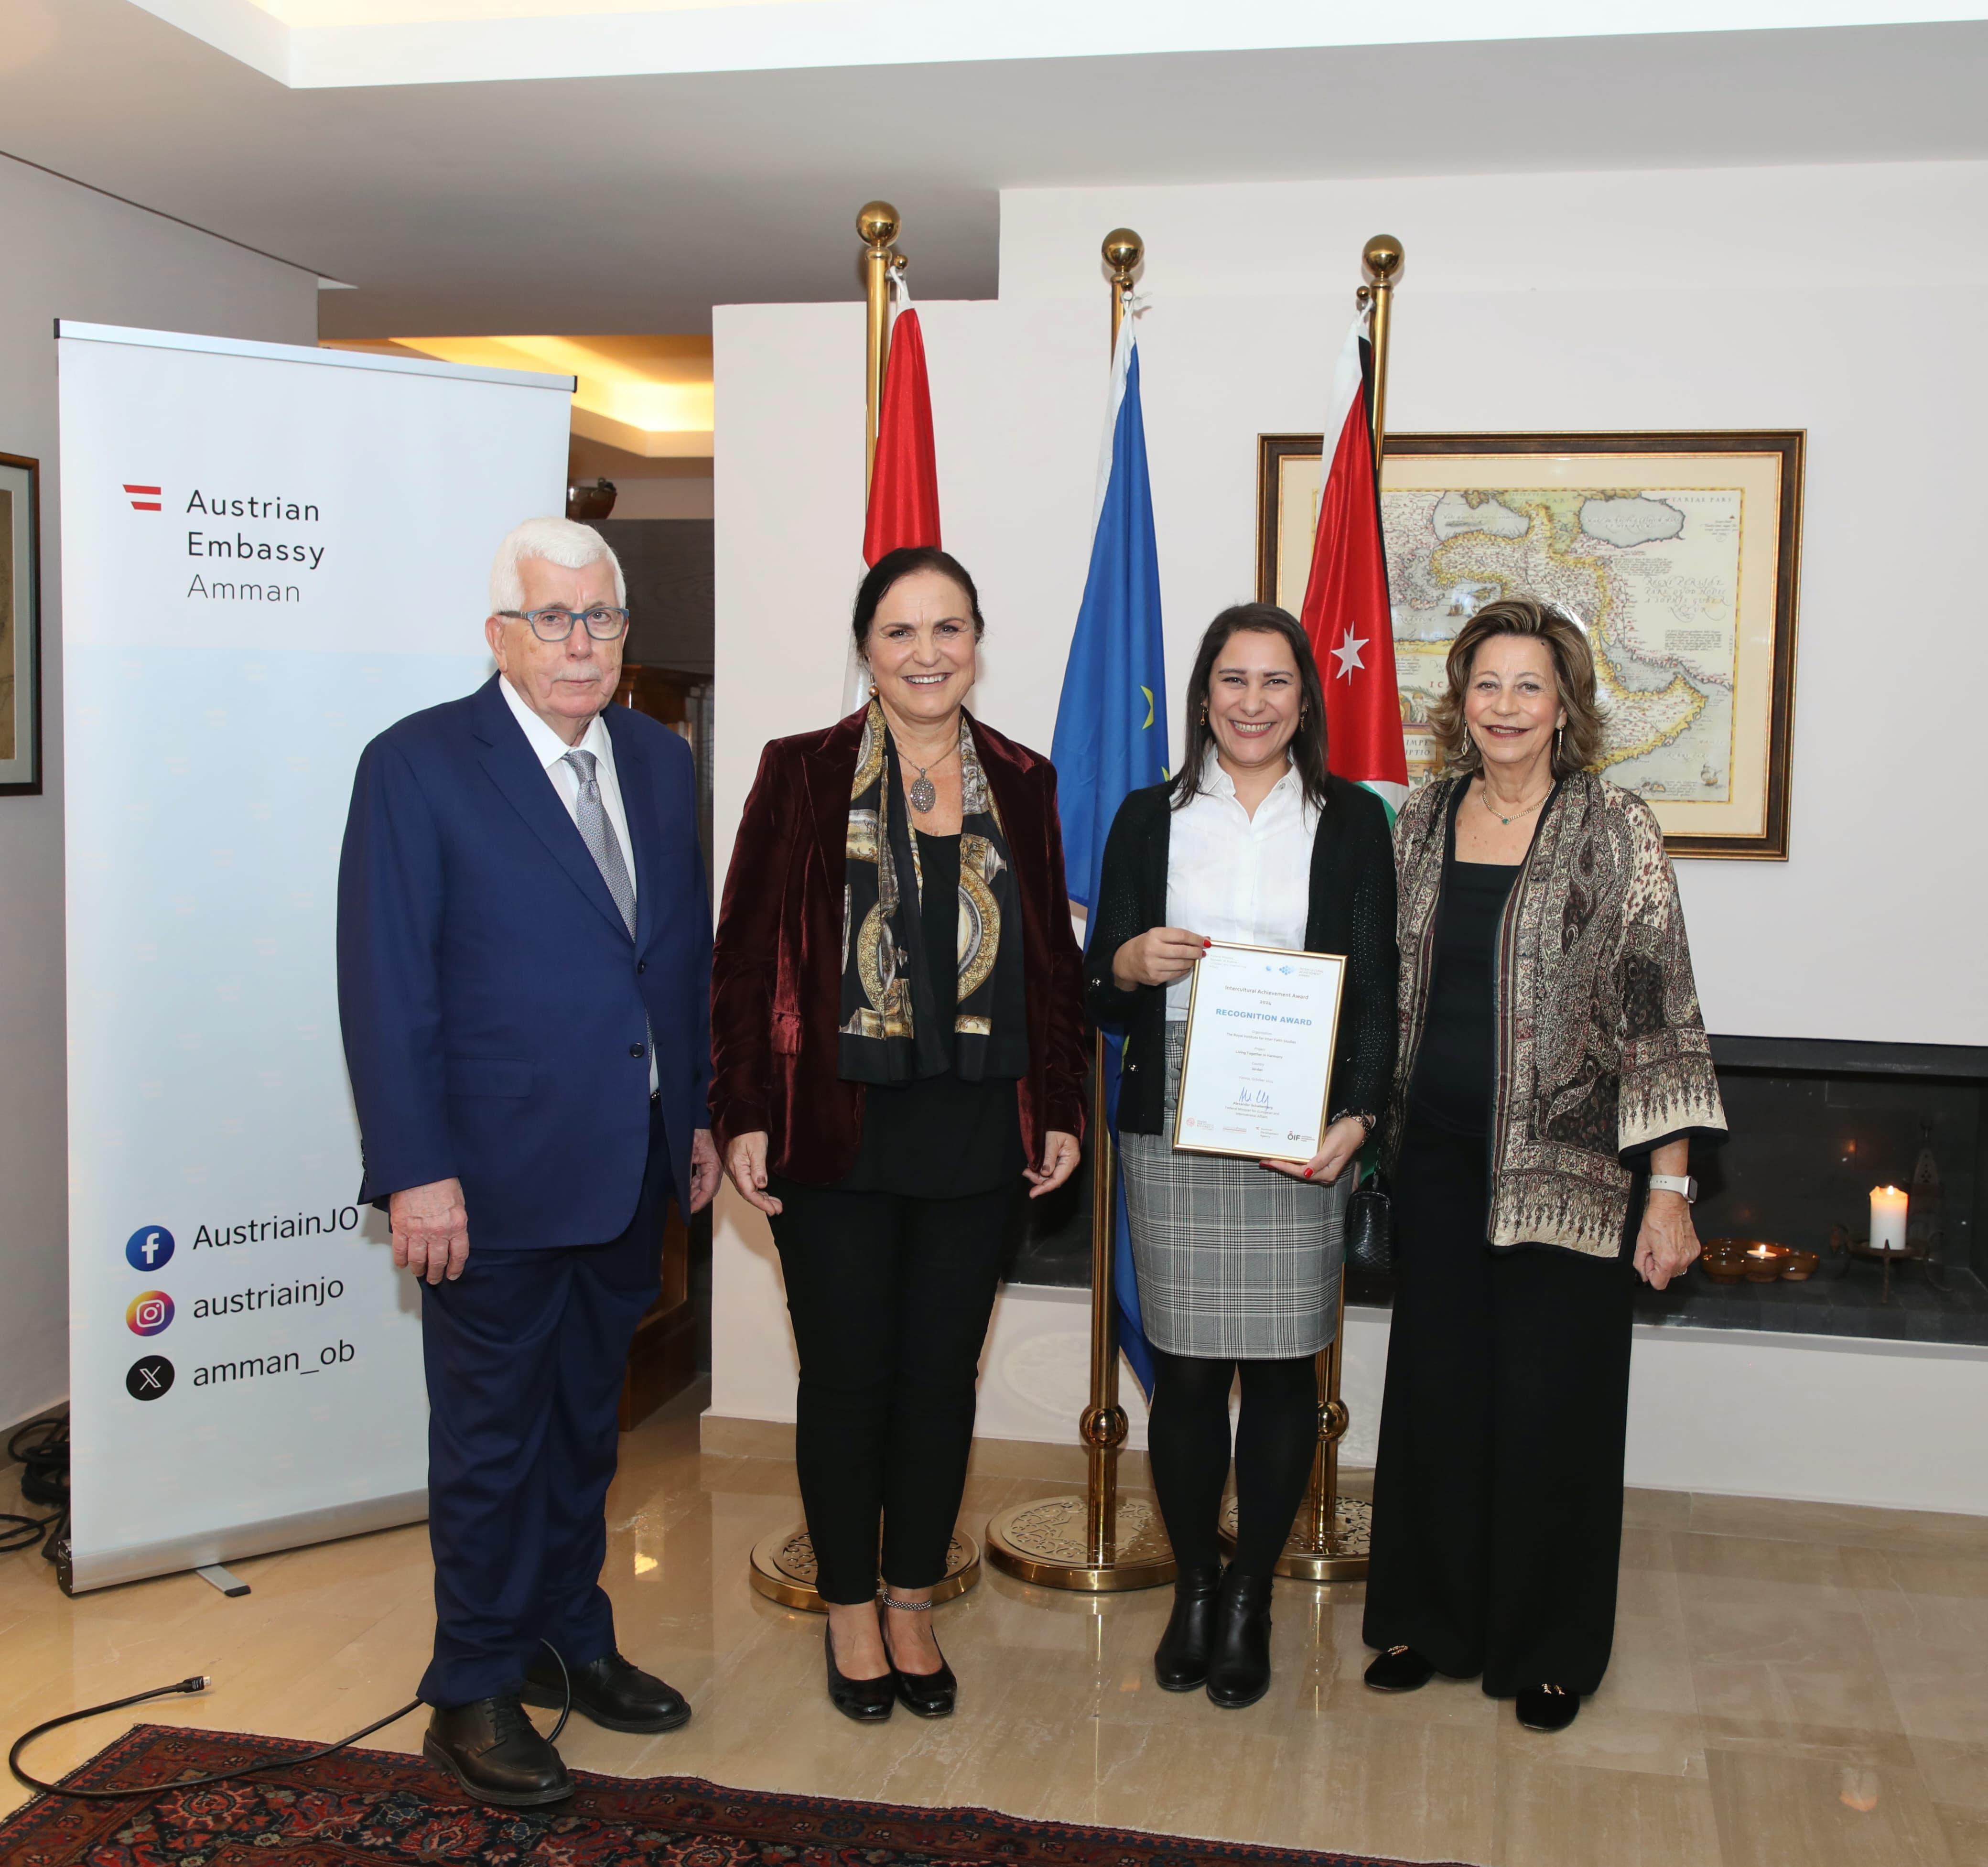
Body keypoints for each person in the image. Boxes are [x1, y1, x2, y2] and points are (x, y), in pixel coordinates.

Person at [336, 517, 719, 1807]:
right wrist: (414, 1169)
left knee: (583, 1430)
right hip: (484, 1182)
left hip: (628, 1168)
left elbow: (674, 959)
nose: (581, 644)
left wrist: (694, 1115)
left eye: (601, 617)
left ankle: (569, 1633)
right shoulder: (417, 764)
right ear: (500, 634)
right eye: (553, 618)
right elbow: (385, 983)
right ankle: (472, 1685)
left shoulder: (657, 759)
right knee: (491, 1441)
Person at [711, 546, 1088, 1723]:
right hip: (836, 1132)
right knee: (845, 1381)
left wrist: (1063, 1105)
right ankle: (848, 1610)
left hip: (980, 1133)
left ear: (976, 642)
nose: (928, 653)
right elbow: (742, 956)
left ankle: (912, 1599)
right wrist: (740, 1111)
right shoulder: (802, 771)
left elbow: (1052, 963)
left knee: (937, 1383)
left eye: (949, 628)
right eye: (900, 631)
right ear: (866, 650)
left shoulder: (1023, 780)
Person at [1361, 594, 1726, 1733]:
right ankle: (1428, 1623)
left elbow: (1659, 1010)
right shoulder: (1419, 821)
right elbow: (1372, 980)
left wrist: (1670, 1189)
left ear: (1564, 705)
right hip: (1433, 1164)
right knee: (1436, 1395)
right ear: (1458, 700)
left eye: (1530, 685)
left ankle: (1549, 1647)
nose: (1506, 705)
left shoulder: (1615, 828)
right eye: (1487, 684)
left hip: (1574, 1180)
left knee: (1553, 1410)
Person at [1086, 604, 1398, 1710]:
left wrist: (1360, 1116)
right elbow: (1098, 980)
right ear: (1203, 694)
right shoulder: (1148, 817)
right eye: (1232, 679)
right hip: (1174, 1107)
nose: (1252, 701)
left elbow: (1378, 986)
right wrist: (1129, 959)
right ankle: (1194, 1587)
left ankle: (1251, 1594)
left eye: (1274, 681)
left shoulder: (1353, 819)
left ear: (1305, 699)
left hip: (1299, 1119)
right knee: (1185, 1368)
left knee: (1278, 1370)